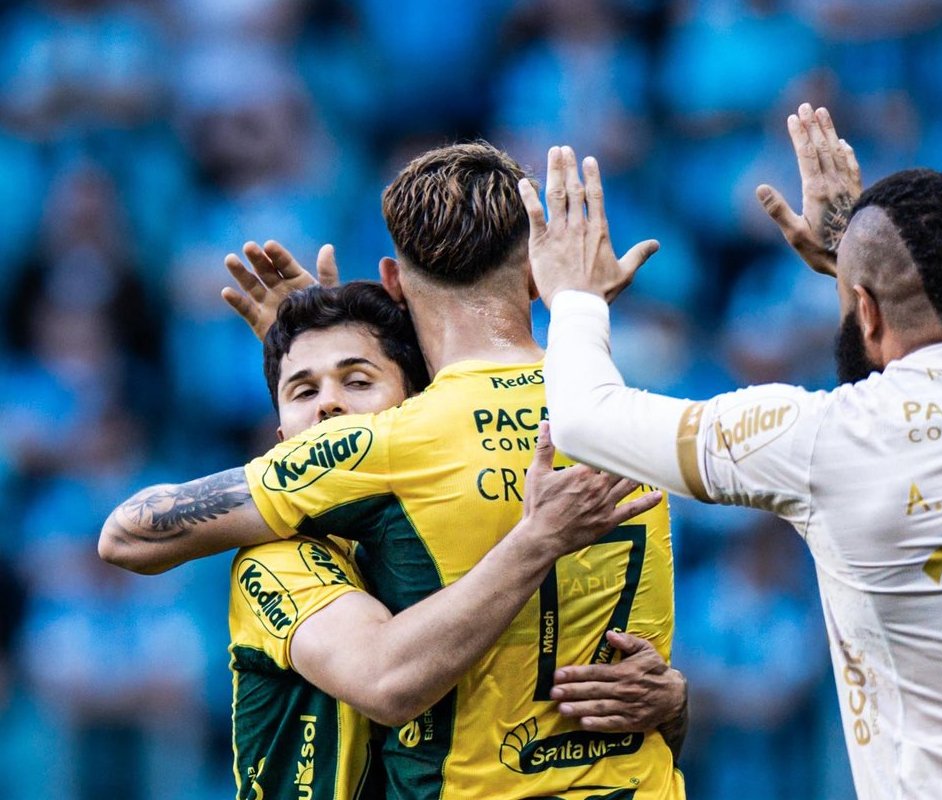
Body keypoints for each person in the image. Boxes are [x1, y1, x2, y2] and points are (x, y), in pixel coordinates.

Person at [525, 105, 942, 798]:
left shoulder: (824, 442)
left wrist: (574, 298)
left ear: (862, 311)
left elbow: (584, 417)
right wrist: (855, 263)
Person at [99, 143, 686, 799]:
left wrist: (312, 434)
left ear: (394, 281)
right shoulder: (638, 420)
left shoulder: (388, 444)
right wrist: (675, 703)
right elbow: (638, 696)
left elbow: (126, 536)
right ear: (534, 275)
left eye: (354, 380)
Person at [218, 280, 677, 799]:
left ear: (416, 407)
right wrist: (537, 541)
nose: (328, 406)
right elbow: (387, 681)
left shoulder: (438, 539)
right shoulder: (277, 560)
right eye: (303, 391)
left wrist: (672, 703)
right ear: (279, 439)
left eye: (359, 381)